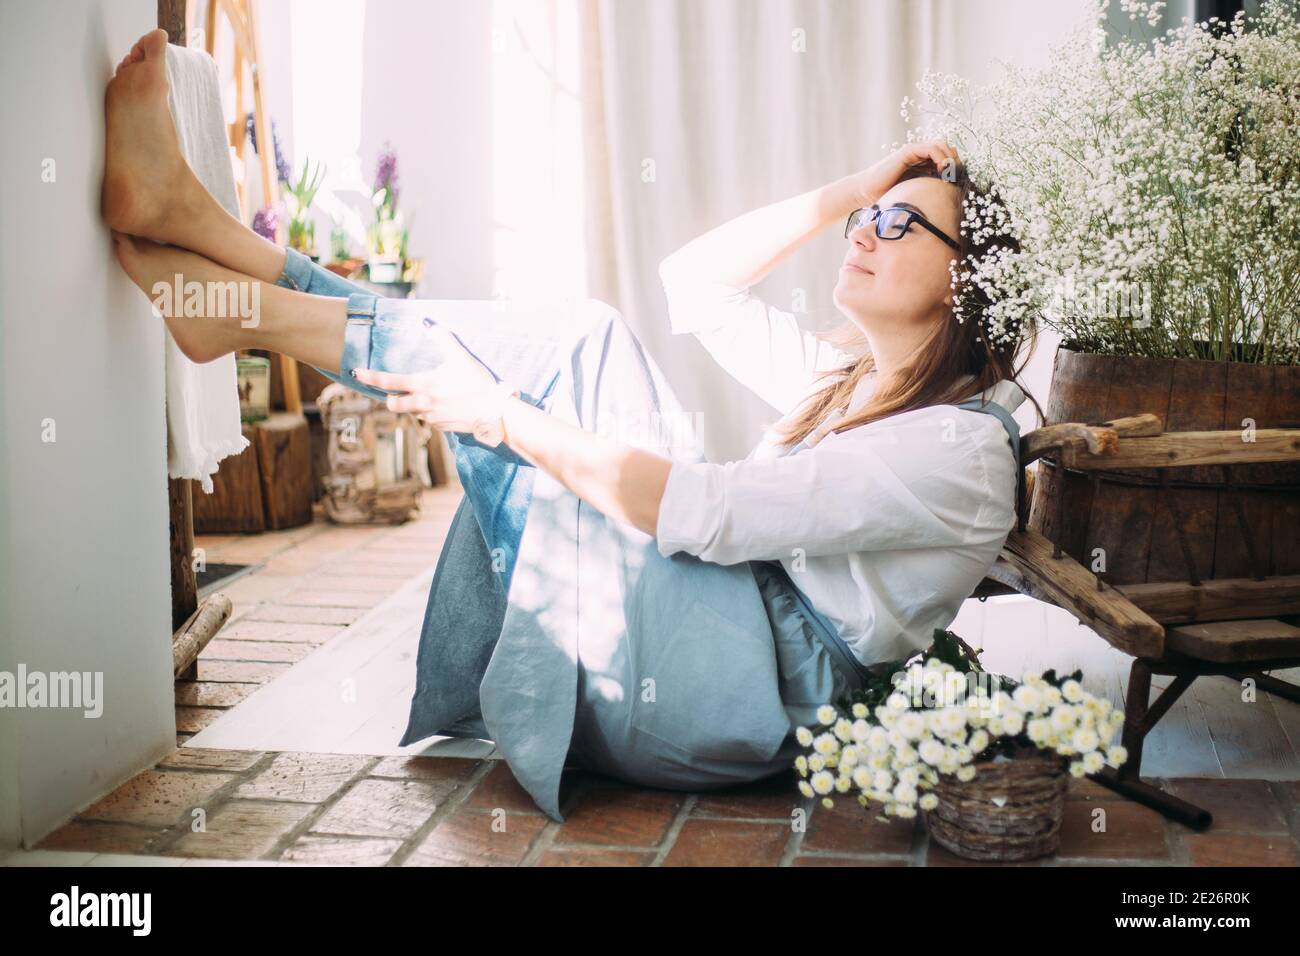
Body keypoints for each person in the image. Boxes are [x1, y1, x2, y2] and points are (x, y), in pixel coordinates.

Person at [103, 29, 1041, 821]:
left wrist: (500, 418)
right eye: (866, 216)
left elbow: (708, 513)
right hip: (719, 630)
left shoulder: (955, 451)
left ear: (971, 284)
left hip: (735, 687)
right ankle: (215, 244)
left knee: (573, 356)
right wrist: (854, 184)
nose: (864, 231)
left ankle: (238, 300)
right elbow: (694, 287)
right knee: (579, 345)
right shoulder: (851, 382)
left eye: (899, 223)